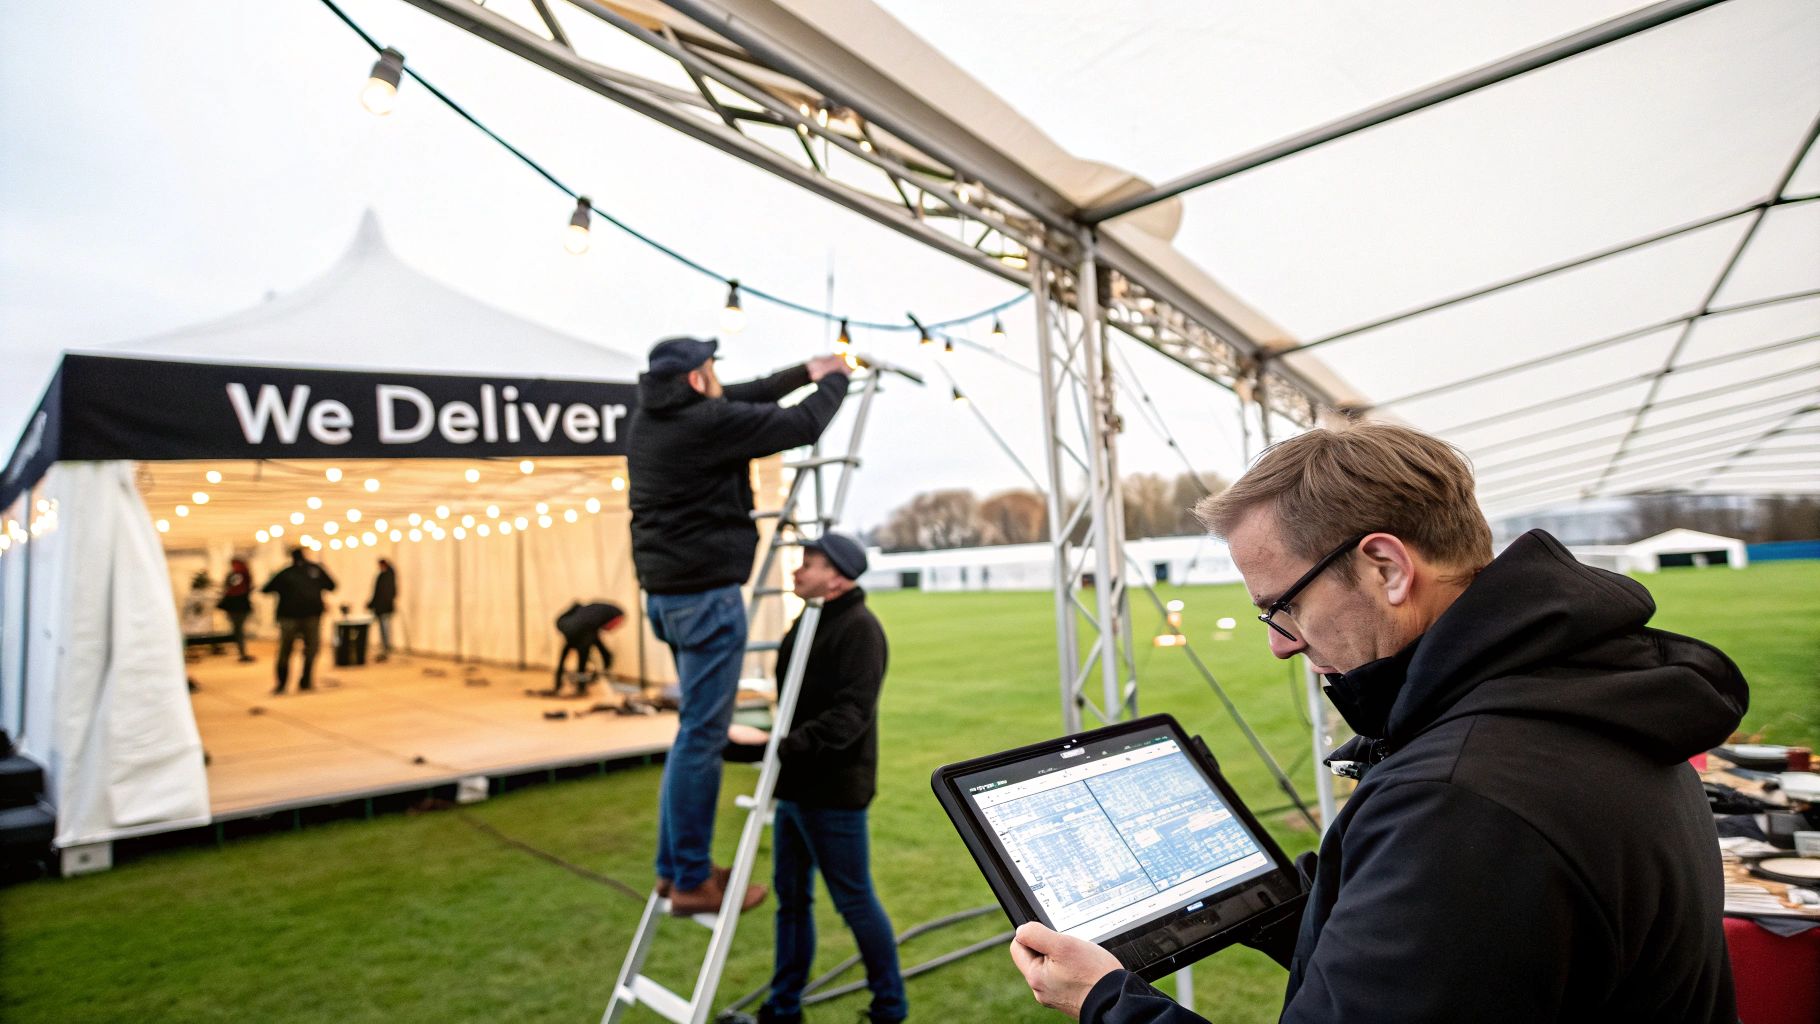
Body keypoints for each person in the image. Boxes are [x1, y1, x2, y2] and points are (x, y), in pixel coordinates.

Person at [1010, 422, 1746, 1023]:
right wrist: (1271, 904)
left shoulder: (1461, 800)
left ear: (1387, 568)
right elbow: (1454, 957)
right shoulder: (1576, 694)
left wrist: (1107, 1003)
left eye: (1284, 605)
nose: (1278, 642)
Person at [629, 335, 850, 917]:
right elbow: (802, 424)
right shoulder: (704, 423)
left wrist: (805, 367)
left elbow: (746, 396)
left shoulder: (657, 415)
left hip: (670, 598)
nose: (717, 376)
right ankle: (692, 880)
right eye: (710, 368)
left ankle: (673, 871)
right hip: (705, 600)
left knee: (690, 737)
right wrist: (836, 379)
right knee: (701, 740)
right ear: (698, 380)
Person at [733, 533, 905, 1024]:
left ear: (837, 576)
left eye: (808, 562)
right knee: (791, 902)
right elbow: (795, 707)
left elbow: (848, 719)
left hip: (832, 793)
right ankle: (783, 1008)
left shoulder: (859, 629)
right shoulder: (808, 621)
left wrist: (773, 747)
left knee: (854, 902)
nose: (796, 570)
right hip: (794, 790)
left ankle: (890, 1010)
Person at [261, 547, 337, 695]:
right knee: (309, 650)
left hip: (294, 617)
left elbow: (267, 588)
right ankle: (302, 682)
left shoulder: (286, 572)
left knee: (289, 650)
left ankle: (287, 684)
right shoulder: (312, 570)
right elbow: (331, 586)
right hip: (305, 617)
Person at [552, 600, 625, 696]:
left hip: (567, 626)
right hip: (576, 629)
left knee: (568, 653)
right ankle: (580, 686)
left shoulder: (591, 614)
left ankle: (559, 684)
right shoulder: (595, 620)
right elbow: (601, 637)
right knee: (583, 655)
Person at [217, 558, 256, 663]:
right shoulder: (244, 574)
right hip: (240, 606)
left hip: (235, 606)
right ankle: (242, 653)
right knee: (238, 630)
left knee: (237, 630)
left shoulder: (237, 575)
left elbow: (230, 589)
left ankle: (242, 652)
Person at [367, 558, 397, 662]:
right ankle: (385, 647)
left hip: (383, 608)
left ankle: (386, 648)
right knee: (383, 628)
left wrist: (373, 604)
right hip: (382, 608)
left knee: (385, 628)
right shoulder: (387, 576)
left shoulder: (386, 577)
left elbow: (381, 593)